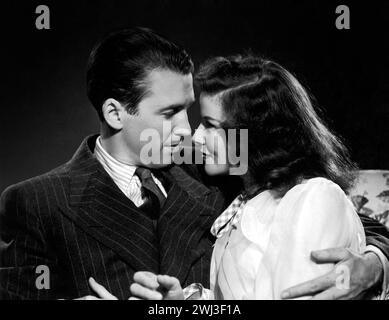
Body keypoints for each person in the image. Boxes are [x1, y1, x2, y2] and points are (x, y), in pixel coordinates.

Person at [0, 28, 388, 300]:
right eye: (169, 113)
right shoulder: (35, 203)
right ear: (116, 113)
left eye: (188, 110)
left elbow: (335, 209)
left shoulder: (214, 165)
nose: (188, 131)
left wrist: (373, 265)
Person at [129, 54, 389, 300]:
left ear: (253, 134)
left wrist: (376, 261)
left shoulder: (314, 197)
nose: (195, 137)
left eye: (210, 125)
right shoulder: (244, 198)